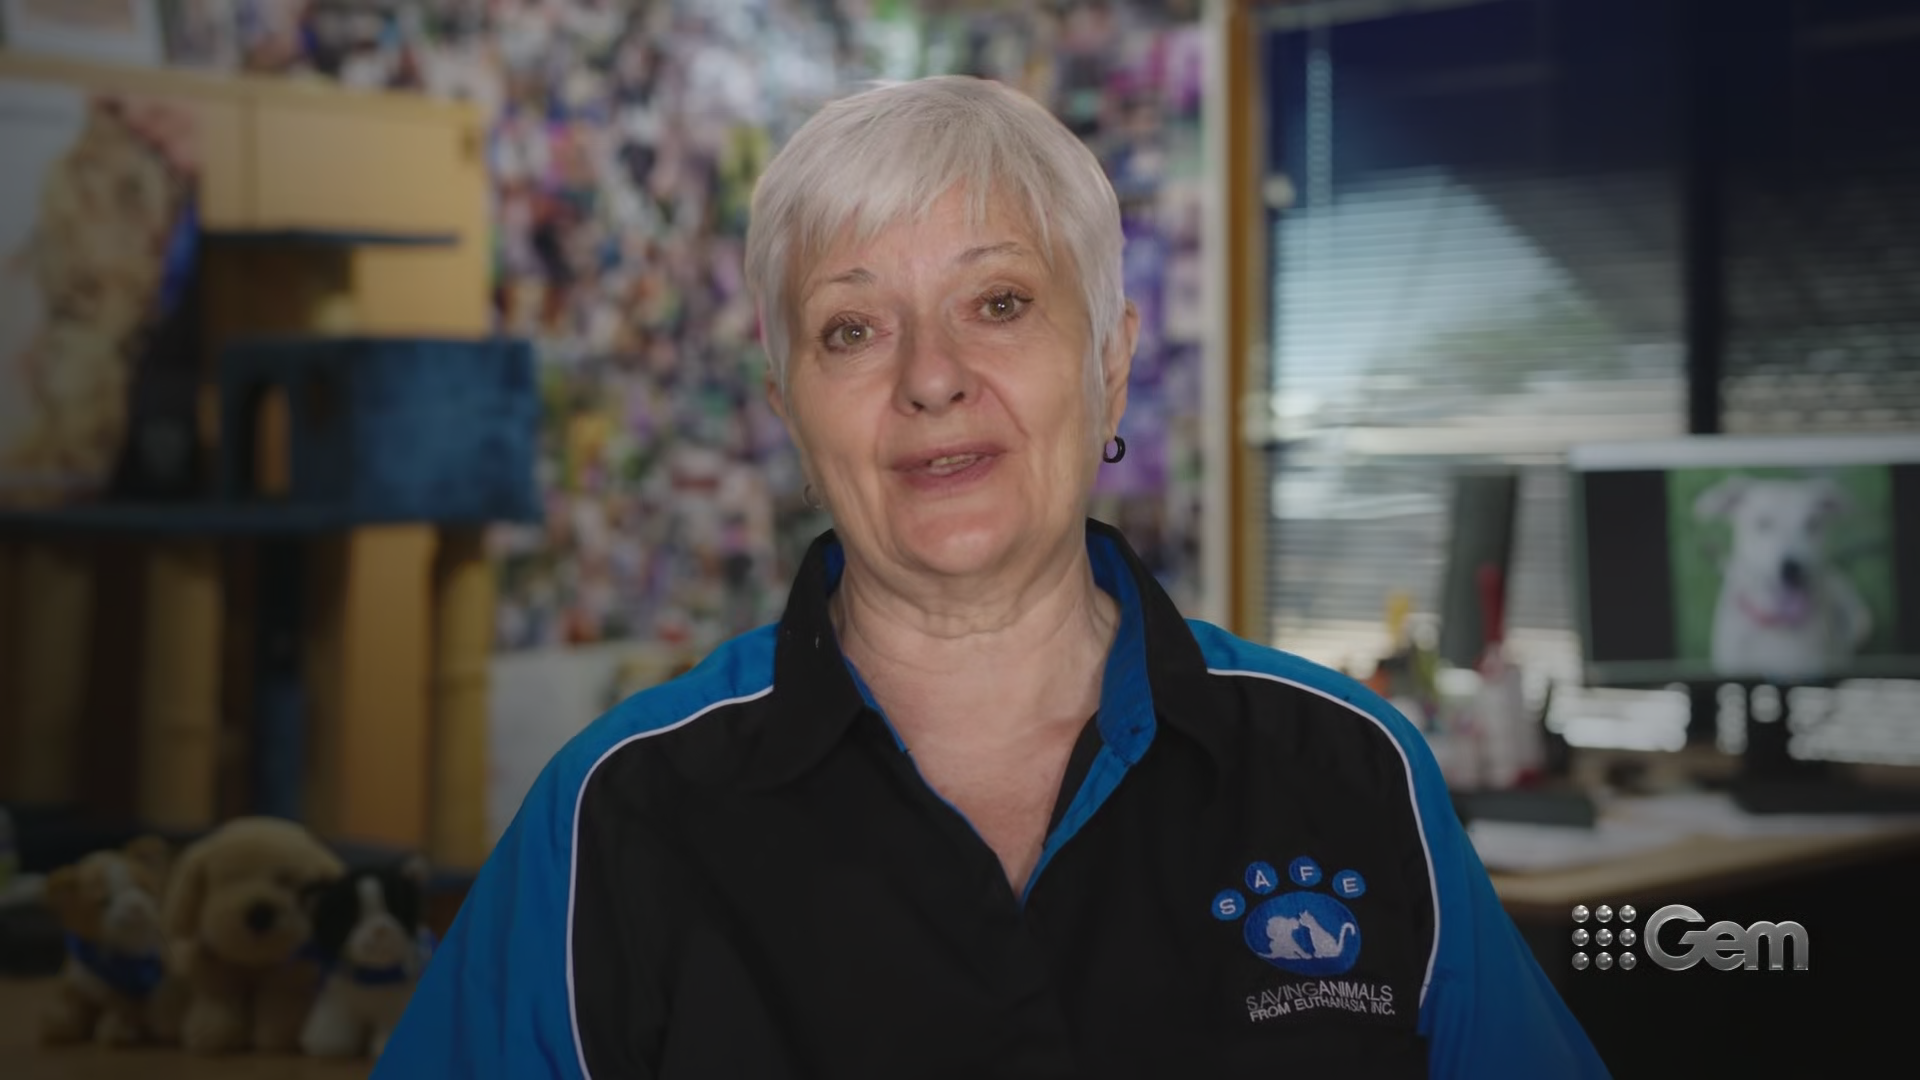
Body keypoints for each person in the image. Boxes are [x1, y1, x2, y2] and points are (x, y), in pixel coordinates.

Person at [374, 75, 1609, 1079]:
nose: (931, 377)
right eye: (851, 329)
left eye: (1000, 301)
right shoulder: (618, 813)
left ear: (1111, 366)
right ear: (790, 411)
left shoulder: (1349, 769)